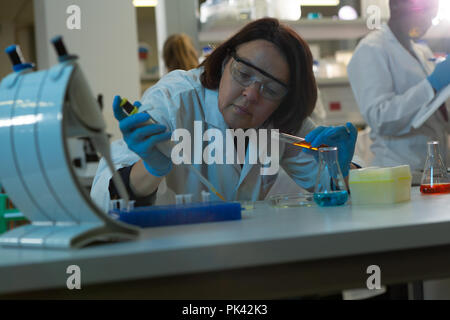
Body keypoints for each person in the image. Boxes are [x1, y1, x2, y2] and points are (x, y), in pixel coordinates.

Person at [91, 18, 357, 210]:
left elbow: (332, 190)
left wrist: (340, 169)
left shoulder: (280, 119)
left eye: (272, 89)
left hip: (245, 261)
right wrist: (150, 169)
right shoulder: (174, 101)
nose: (252, 95)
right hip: (175, 260)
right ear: (223, 62)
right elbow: (103, 200)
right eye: (243, 74)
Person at [347, 0, 450, 184]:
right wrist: (431, 85)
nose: (428, 19)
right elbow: (380, 118)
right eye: (422, 10)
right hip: (397, 176)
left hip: (432, 173)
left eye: (433, 13)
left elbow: (436, 115)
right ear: (395, 5)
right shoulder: (371, 49)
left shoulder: (422, 51)